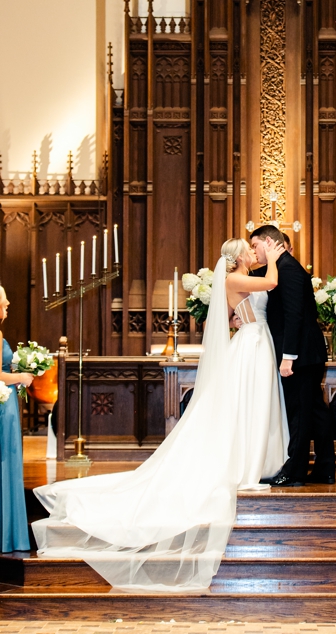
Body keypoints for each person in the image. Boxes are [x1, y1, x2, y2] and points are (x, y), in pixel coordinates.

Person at [32, 238, 289, 591]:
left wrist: (241, 312)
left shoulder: (240, 278)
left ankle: (254, 459)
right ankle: (243, 465)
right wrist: (273, 258)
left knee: (247, 406)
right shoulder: (235, 278)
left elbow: (237, 312)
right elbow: (271, 283)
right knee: (242, 405)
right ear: (238, 257)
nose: (252, 252)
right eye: (249, 249)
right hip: (251, 343)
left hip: (255, 340)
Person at [251, 225, 336, 486]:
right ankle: (324, 468)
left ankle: (295, 471)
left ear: (268, 242)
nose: (254, 252)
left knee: (299, 413)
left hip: (300, 354)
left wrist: (288, 357)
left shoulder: (288, 269)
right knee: (315, 410)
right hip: (306, 353)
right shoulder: (281, 266)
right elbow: (255, 278)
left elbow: (294, 316)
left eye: (255, 246)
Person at [0, 286, 33, 553]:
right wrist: (21, 377)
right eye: (3, 300)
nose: (8, 302)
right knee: (6, 461)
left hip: (7, 402)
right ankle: (8, 535)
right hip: (4, 405)